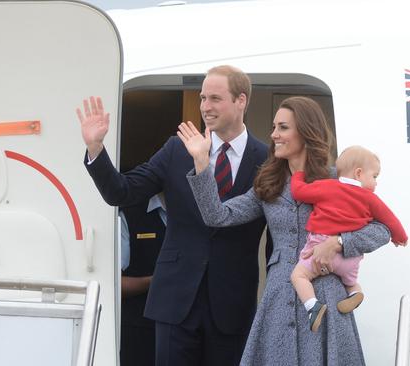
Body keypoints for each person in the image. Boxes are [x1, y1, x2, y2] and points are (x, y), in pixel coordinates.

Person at [76, 65, 269, 366]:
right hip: (175, 300)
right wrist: (95, 148)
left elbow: (277, 235)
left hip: (233, 303)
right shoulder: (176, 150)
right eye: (203, 98)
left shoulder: (267, 160)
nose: (206, 107)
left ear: (241, 101)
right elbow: (122, 192)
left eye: (215, 99)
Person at [178, 96, 392, 365]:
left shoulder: (336, 179)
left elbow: (382, 230)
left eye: (283, 128)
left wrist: (338, 242)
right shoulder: (269, 184)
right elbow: (218, 216)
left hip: (327, 297)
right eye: (274, 127)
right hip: (279, 298)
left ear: (305, 132)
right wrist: (201, 163)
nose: (274, 135)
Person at [290, 145, 408, 332]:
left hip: (318, 247)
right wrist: (400, 237)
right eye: (375, 176)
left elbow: (299, 192)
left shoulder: (327, 186)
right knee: (351, 282)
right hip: (350, 260)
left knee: (299, 275)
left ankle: (312, 306)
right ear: (359, 173)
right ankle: (355, 293)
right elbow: (390, 219)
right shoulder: (370, 199)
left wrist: (298, 174)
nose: (376, 183)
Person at [119, 194, 166, 366]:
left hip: (187, 331)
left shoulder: (199, 214)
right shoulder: (130, 215)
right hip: (138, 329)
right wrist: (155, 281)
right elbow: (113, 284)